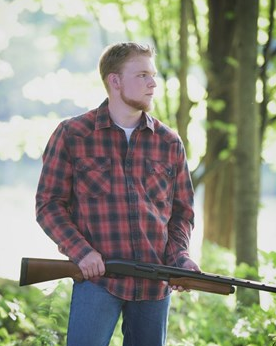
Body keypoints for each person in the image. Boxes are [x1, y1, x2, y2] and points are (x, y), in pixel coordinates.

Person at [35, 41, 200, 346]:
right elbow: (49, 204)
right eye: (142, 75)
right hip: (98, 282)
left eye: (153, 75)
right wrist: (81, 251)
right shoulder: (73, 134)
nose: (153, 83)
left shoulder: (169, 142)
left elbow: (182, 214)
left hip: (154, 286)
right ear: (115, 80)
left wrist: (180, 257)